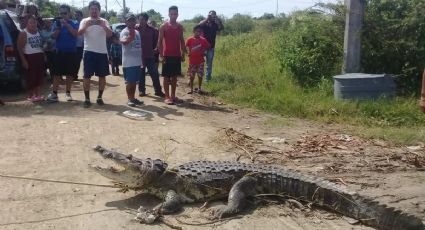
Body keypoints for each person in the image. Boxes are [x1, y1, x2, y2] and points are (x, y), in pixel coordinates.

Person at [77, 0, 112, 108]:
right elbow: (79, 34)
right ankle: (87, 99)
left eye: (96, 9)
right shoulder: (84, 21)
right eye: (92, 9)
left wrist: (104, 26)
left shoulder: (104, 21)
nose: (94, 11)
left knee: (102, 76)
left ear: (99, 10)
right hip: (88, 52)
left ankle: (99, 97)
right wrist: (86, 26)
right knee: (86, 76)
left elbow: (110, 34)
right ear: (89, 10)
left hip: (102, 52)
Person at [46, 5, 79, 103]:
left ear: (69, 13)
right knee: (56, 74)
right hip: (59, 53)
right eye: (61, 13)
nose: (63, 15)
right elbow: (53, 36)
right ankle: (55, 94)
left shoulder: (74, 23)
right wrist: (59, 29)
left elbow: (75, 34)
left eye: (65, 13)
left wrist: (66, 25)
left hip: (71, 53)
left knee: (69, 75)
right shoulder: (56, 23)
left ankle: (68, 93)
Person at [157, 5, 186, 105]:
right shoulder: (163, 26)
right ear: (169, 14)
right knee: (166, 76)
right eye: (172, 14)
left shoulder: (180, 26)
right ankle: (167, 96)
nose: (173, 16)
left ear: (178, 14)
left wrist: (183, 53)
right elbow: (159, 41)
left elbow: (182, 40)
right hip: (167, 55)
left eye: (175, 14)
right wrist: (161, 55)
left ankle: (173, 96)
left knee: (174, 77)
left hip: (177, 55)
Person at [17, 15, 45, 102]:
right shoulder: (24, 33)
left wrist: (44, 53)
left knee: (38, 76)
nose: (33, 24)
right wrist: (24, 60)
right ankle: (31, 95)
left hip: (39, 56)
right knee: (30, 77)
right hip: (29, 57)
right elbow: (19, 47)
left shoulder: (38, 32)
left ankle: (37, 95)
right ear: (27, 23)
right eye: (31, 22)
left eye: (35, 22)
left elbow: (41, 44)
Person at [137, 13, 164, 97]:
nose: (141, 21)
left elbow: (158, 40)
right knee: (141, 74)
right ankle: (141, 91)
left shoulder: (153, 30)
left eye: (143, 19)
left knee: (154, 74)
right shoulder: (135, 29)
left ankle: (158, 91)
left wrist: (156, 48)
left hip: (150, 55)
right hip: (139, 56)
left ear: (146, 20)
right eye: (140, 19)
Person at [120, 13, 144, 107]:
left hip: (137, 62)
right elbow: (125, 42)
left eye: (133, 20)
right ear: (126, 22)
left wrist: (141, 61)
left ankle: (133, 98)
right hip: (128, 62)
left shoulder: (137, 32)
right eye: (129, 20)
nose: (131, 22)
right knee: (129, 82)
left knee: (134, 82)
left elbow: (139, 47)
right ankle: (129, 99)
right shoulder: (124, 32)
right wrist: (131, 36)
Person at [198, 10, 223, 82]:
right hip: (202, 46)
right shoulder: (204, 22)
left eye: (214, 15)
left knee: (209, 64)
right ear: (208, 15)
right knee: (199, 62)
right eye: (211, 15)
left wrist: (219, 21)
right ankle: (198, 77)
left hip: (211, 47)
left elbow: (221, 28)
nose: (212, 16)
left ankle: (207, 80)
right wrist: (207, 19)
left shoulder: (215, 24)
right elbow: (198, 26)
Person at [185, 25, 210, 94]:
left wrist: (204, 51)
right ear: (194, 31)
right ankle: (191, 89)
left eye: (200, 31)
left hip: (200, 61)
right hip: (192, 61)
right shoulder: (190, 39)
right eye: (197, 31)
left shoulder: (203, 40)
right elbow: (185, 47)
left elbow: (208, 46)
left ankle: (199, 88)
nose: (198, 33)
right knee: (191, 75)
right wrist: (187, 52)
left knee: (200, 75)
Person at [74, 10, 84, 81]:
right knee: (76, 61)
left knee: (86, 62)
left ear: (81, 16)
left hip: (86, 46)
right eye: (75, 15)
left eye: (77, 15)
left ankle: (86, 75)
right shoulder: (74, 24)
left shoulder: (85, 23)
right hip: (77, 46)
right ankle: (74, 75)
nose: (76, 16)